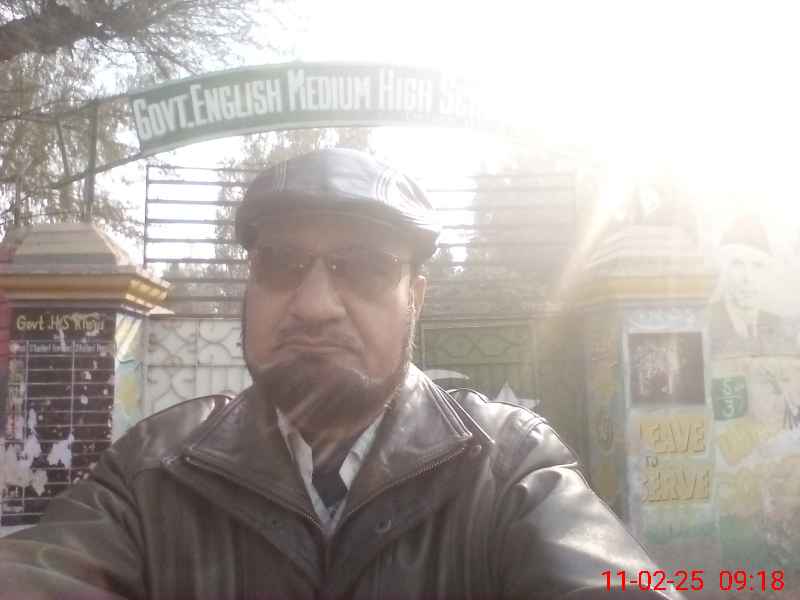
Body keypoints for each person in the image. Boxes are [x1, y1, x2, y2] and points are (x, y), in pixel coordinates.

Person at [0, 149, 682, 599]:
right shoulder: (152, 474)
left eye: (364, 267)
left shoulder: (506, 468)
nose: (315, 304)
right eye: (280, 264)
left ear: (415, 298)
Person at [709, 216, 794, 357]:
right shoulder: (705, 323)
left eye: (757, 266)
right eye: (738, 264)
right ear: (724, 269)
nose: (748, 278)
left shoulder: (778, 326)